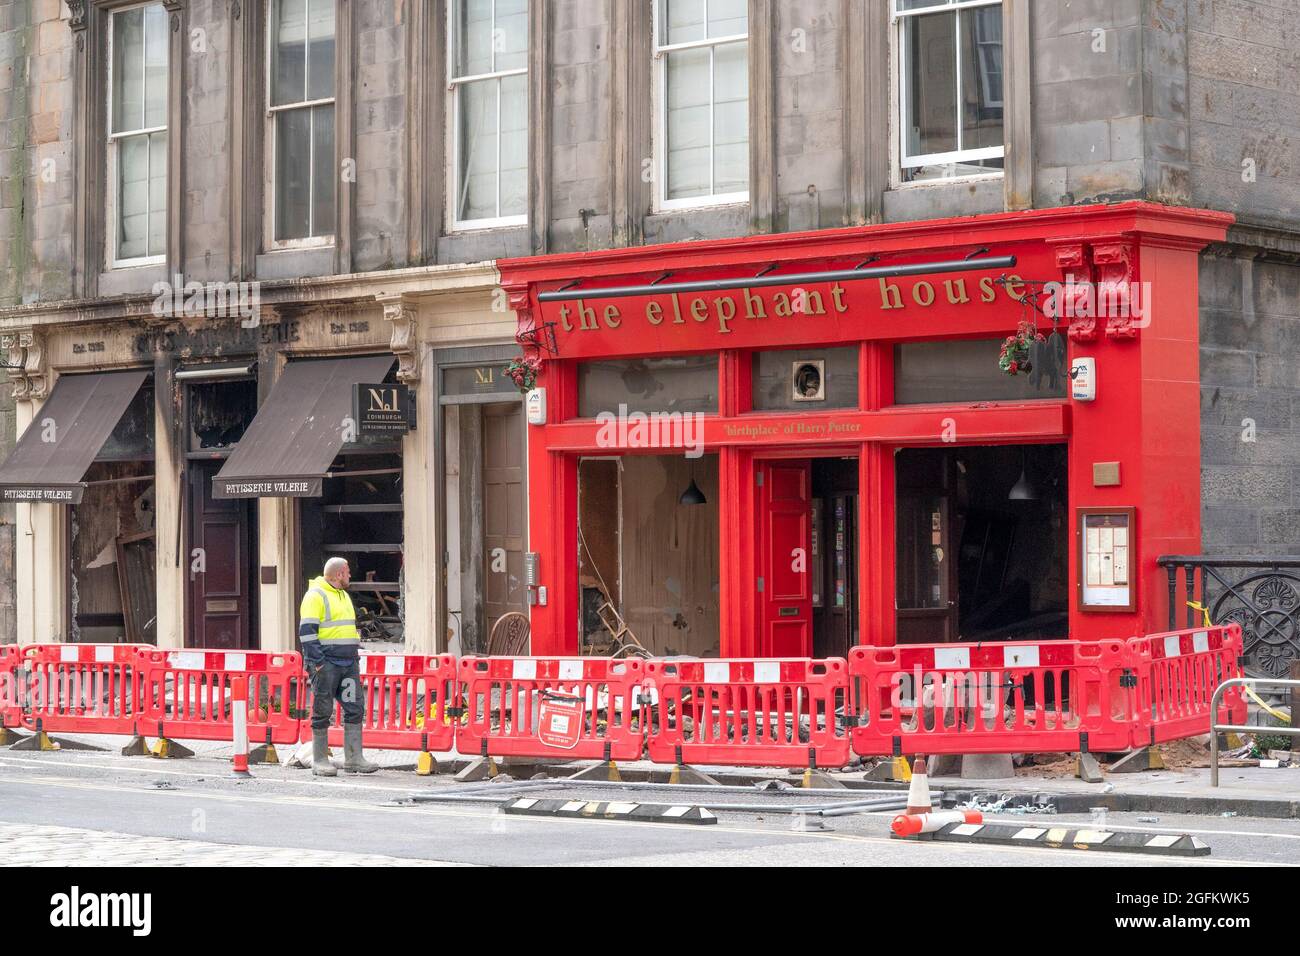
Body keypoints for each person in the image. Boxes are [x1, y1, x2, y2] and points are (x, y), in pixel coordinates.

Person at [299, 557, 378, 776]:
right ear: (339, 574)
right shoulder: (315, 596)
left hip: (347, 663)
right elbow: (307, 633)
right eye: (348, 572)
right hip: (326, 664)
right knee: (322, 709)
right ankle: (320, 760)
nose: (351, 576)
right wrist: (318, 663)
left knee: (354, 707)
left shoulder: (343, 596)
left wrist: (354, 656)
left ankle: (354, 758)